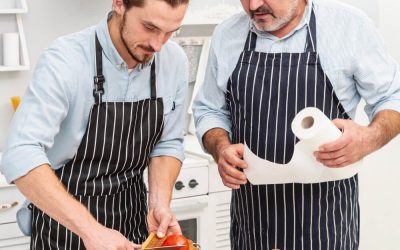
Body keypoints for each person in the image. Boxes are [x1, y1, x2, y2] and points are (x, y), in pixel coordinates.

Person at [192, 0, 400, 249]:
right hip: (253, 224)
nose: (254, 5)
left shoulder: (349, 26)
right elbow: (210, 109)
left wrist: (369, 138)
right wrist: (219, 147)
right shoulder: (227, 34)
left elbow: (392, 97)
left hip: (326, 225)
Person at [0, 0, 189, 249]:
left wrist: (159, 202)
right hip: (65, 230)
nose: (157, 45)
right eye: (149, 27)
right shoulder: (66, 59)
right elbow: (20, 152)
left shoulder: (174, 60)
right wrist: (91, 231)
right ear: (119, 4)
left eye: (169, 32)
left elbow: (167, 143)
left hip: (133, 224)